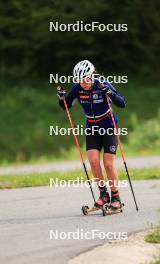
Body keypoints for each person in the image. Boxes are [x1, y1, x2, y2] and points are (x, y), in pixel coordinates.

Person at [57, 60, 126, 209]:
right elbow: (66, 106)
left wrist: (109, 92)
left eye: (85, 80)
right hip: (92, 127)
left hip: (108, 125)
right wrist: (61, 98)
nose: (83, 83)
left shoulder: (102, 84)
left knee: (108, 163)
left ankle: (116, 196)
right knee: (94, 162)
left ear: (91, 76)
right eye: (80, 81)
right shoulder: (77, 88)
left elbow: (122, 103)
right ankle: (103, 194)